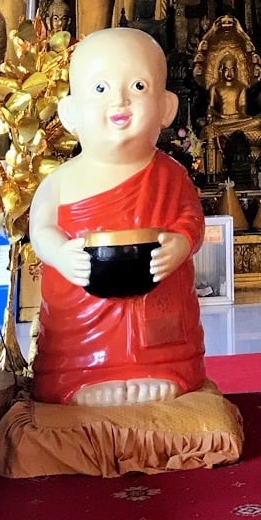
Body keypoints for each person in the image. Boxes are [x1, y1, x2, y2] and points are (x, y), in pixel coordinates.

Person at [28, 28, 206, 406]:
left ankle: (163, 369)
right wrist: (61, 254)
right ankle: (81, 375)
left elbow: (191, 218)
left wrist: (181, 243)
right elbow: (41, 230)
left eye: (139, 86)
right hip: (82, 322)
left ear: (166, 108)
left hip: (156, 315)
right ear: (70, 112)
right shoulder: (61, 181)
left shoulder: (171, 175)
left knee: (161, 319)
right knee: (71, 328)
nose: (119, 101)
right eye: (100, 89)